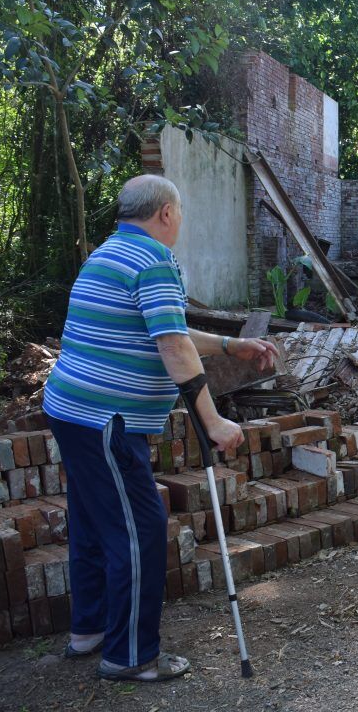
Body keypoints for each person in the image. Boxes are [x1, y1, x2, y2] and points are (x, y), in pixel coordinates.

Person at [42, 174, 276, 682]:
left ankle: (89, 629)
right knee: (138, 530)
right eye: (181, 215)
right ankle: (131, 656)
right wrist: (212, 421)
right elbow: (172, 346)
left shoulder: (108, 254)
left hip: (71, 409)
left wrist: (231, 346)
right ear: (167, 213)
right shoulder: (153, 260)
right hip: (106, 420)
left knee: (91, 518)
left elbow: (163, 325)